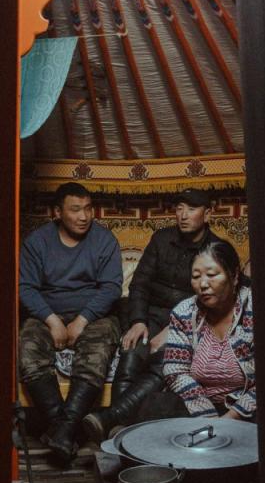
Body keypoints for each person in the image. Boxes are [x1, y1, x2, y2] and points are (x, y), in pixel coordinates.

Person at [82, 187, 224, 440]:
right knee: (132, 353)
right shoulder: (161, 239)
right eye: (179, 208)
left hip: (188, 323)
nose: (183, 215)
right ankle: (117, 433)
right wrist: (138, 322)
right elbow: (140, 284)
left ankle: (111, 421)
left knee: (166, 362)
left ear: (208, 214)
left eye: (191, 209)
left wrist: (175, 330)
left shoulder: (217, 250)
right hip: (150, 315)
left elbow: (214, 300)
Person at [19, 182, 122, 463]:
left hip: (94, 316)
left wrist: (82, 320)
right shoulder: (37, 242)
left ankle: (61, 430)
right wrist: (52, 320)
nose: (84, 216)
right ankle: (64, 430)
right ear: (57, 213)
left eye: (88, 208)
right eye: (75, 209)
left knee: (96, 354)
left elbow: (112, 287)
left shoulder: (104, 240)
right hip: (47, 313)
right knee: (27, 348)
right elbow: (26, 287)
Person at [156, 238, 255, 420]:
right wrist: (209, 419)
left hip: (243, 409)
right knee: (157, 404)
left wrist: (231, 419)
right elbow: (175, 371)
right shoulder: (184, 313)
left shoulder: (254, 311)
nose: (202, 284)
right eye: (196, 277)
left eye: (211, 275)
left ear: (234, 277)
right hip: (197, 406)